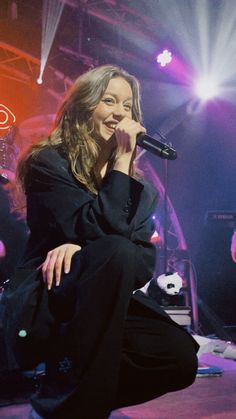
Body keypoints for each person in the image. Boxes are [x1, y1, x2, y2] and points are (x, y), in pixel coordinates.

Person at [4, 65, 199, 419]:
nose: (120, 113)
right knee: (115, 248)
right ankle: (77, 404)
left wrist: (85, 245)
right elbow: (105, 231)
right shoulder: (48, 162)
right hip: (53, 294)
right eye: (109, 101)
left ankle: (66, 396)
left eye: (128, 106)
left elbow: (140, 263)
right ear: (85, 106)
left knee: (178, 357)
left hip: (109, 300)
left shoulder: (141, 190)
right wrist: (122, 161)